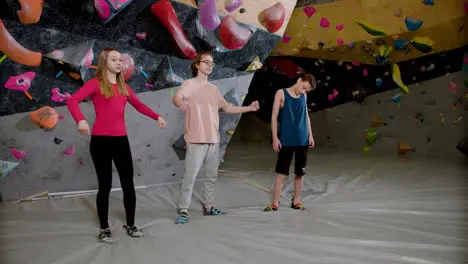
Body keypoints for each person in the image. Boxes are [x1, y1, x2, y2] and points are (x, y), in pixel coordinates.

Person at [66, 48, 167, 243]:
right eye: (114, 59)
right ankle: (104, 228)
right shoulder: (95, 84)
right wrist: (80, 120)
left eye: (121, 60)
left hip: (121, 141)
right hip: (101, 142)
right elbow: (72, 100)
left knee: (128, 185)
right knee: (105, 186)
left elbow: (139, 105)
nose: (120, 63)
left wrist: (158, 116)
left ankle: (131, 224)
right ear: (105, 62)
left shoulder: (124, 87)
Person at [172, 51, 260, 224]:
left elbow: (227, 108)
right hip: (195, 139)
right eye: (206, 62)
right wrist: (179, 103)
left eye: (212, 63)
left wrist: (249, 108)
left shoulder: (213, 89)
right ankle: (183, 210)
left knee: (211, 176)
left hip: (213, 139)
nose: (209, 65)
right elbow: (177, 97)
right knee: (190, 177)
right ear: (197, 64)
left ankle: (209, 207)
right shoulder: (189, 84)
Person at [264, 73, 316, 212]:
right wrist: (275, 138)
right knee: (281, 173)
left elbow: (306, 115)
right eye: (304, 88)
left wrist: (310, 135)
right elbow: (274, 117)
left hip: (302, 139)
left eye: (307, 91)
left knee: (300, 173)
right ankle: (275, 202)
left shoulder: (303, 96)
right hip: (286, 139)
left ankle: (297, 201)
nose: (304, 92)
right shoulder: (281, 93)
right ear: (299, 80)